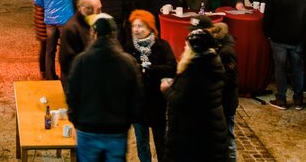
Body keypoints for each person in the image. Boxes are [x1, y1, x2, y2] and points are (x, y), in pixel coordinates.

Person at [65, 14, 143, 162]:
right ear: (114, 34)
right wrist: (128, 121)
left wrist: (75, 119)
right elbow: (137, 96)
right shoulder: (127, 62)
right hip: (116, 130)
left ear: (93, 34)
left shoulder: (81, 61)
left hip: (87, 128)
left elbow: (72, 94)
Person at [162, 29, 228, 162]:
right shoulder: (212, 63)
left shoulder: (195, 70)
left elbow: (182, 100)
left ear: (193, 50)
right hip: (209, 131)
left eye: (187, 46)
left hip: (194, 137)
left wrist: (167, 89)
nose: (184, 48)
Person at [123, 10, 176, 162]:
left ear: (150, 28)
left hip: (157, 101)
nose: (136, 29)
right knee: (141, 141)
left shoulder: (162, 46)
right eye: (134, 26)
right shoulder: (128, 48)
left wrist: (151, 68)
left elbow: (172, 68)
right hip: (137, 102)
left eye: (140, 26)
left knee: (161, 140)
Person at [33, 0, 86, 81]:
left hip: (49, 20)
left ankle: (50, 78)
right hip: (65, 20)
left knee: (50, 51)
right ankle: (65, 77)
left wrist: (48, 7)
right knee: (66, 49)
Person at [263, 0, 306, 110]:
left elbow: (268, 14)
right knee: (297, 67)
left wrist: (267, 32)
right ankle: (298, 99)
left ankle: (281, 99)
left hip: (278, 36)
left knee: (280, 68)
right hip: (297, 36)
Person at [204, 16, 240, 162]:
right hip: (225, 100)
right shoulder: (224, 49)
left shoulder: (226, 52)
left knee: (228, 136)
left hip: (227, 101)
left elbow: (231, 79)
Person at [59, 0, 101, 89]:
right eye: (90, 9)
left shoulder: (96, 22)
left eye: (98, 9)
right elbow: (66, 62)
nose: (96, 13)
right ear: (79, 7)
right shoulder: (71, 28)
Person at [30, 0, 50, 77]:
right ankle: (44, 71)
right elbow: (40, 0)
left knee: (45, 45)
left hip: (39, 15)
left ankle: (44, 70)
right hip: (42, 15)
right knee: (45, 45)